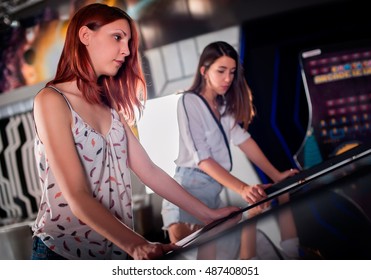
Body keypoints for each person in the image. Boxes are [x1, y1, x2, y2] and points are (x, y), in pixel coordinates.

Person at [31, 3, 239, 260]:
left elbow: (149, 171)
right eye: (117, 37)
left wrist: (208, 215)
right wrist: (135, 244)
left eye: (128, 42)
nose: (127, 51)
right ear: (85, 36)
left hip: (111, 253)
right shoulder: (51, 100)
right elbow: (77, 194)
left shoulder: (108, 107)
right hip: (61, 255)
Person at [161, 41, 299, 243]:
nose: (228, 78)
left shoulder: (224, 105)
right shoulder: (189, 101)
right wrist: (244, 189)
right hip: (187, 192)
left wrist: (277, 175)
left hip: (213, 194)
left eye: (232, 72)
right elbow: (202, 160)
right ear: (204, 71)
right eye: (221, 71)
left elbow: (244, 140)